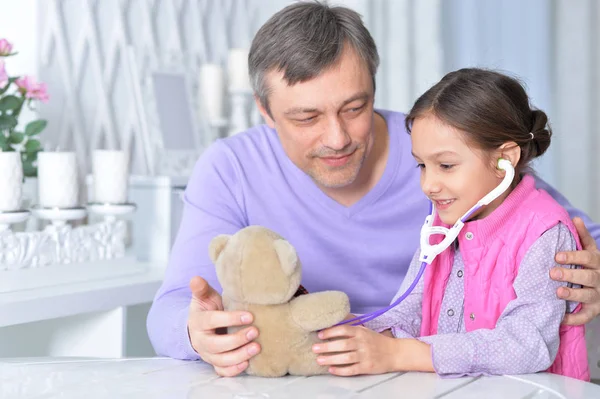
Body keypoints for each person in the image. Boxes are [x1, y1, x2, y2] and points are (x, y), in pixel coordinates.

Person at [146, 2, 600, 377]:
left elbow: (554, 227)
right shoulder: (231, 168)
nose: (337, 137)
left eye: (354, 107)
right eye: (307, 118)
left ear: (374, 86)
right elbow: (170, 309)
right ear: (265, 109)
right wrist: (197, 330)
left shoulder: (440, 146)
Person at [312, 68, 589, 380]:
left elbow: (526, 344)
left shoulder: (545, 232)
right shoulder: (441, 225)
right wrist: (340, 332)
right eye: (422, 165)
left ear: (505, 159)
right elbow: (406, 313)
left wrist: (402, 353)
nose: (429, 184)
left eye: (445, 165)